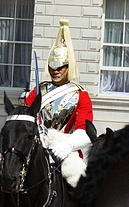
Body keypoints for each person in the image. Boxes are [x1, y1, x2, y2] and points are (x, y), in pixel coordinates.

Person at [24, 18, 94, 187]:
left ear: (68, 67)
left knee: (81, 185)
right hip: (37, 146)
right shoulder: (38, 91)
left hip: (65, 151)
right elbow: (25, 118)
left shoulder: (80, 94)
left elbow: (84, 131)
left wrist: (67, 145)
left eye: (60, 67)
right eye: (52, 67)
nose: (55, 71)